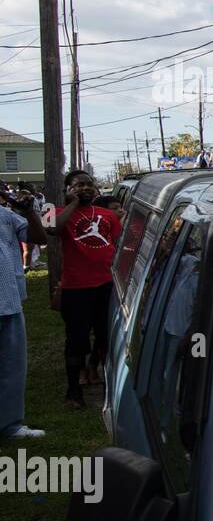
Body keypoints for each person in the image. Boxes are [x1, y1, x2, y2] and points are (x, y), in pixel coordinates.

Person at [54, 170, 122, 409]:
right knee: (76, 341)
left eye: (88, 184)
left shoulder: (107, 215)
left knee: (105, 338)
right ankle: (74, 392)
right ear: (68, 189)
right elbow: (50, 230)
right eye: (78, 185)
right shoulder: (56, 213)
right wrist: (72, 204)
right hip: (76, 288)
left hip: (105, 286)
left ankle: (109, 388)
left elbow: (119, 244)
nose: (85, 188)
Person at [1, 186, 48, 438]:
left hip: (8, 299)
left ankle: (9, 425)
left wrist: (29, 212)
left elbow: (40, 238)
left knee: (11, 365)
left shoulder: (5, 215)